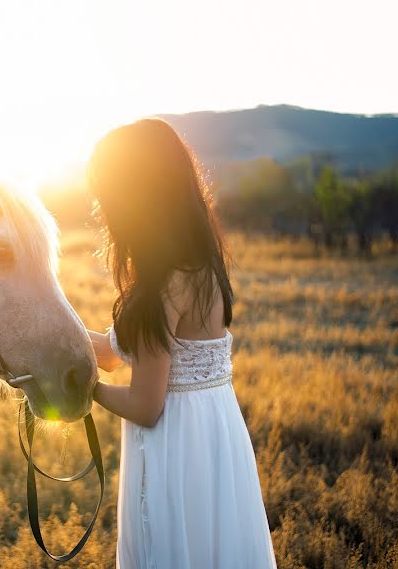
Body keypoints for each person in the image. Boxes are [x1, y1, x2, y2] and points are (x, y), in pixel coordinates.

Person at [85, 118, 277, 568]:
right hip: (215, 429)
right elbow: (114, 356)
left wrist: (84, 389)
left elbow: (146, 406)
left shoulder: (163, 286)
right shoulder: (201, 266)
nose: (103, 206)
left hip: (178, 442)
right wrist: (56, 334)